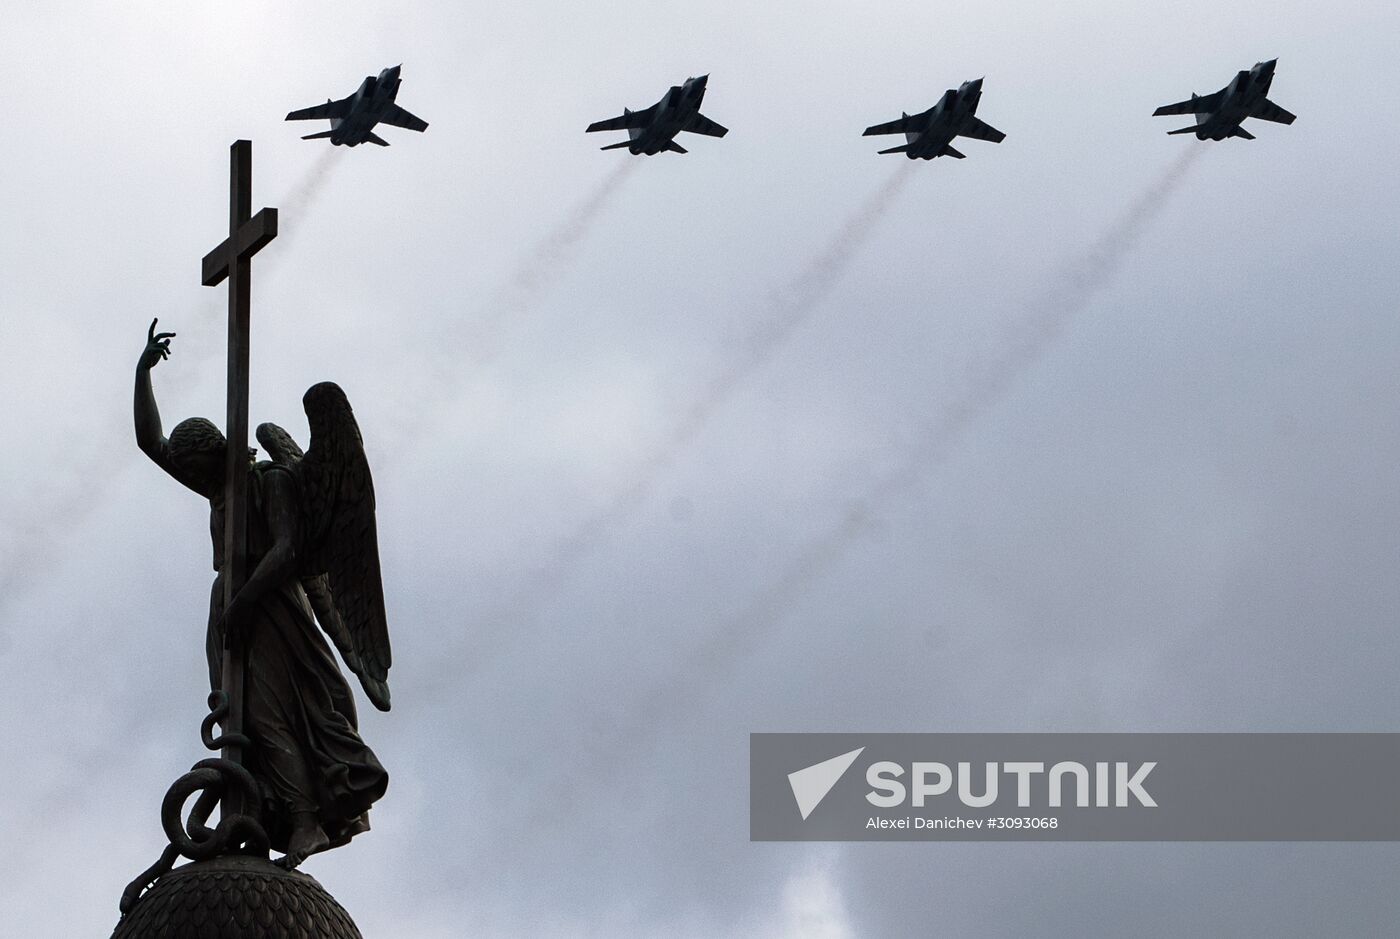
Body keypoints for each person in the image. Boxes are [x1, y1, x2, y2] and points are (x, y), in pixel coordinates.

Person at [133, 319, 388, 868]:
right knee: (238, 718)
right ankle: (250, 802)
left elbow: (289, 550)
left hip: (270, 605)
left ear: (216, 453)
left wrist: (246, 598)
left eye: (198, 470)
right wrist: (142, 374)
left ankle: (304, 822)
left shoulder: (270, 481)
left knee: (272, 714)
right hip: (230, 604)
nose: (193, 482)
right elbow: (150, 444)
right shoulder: (217, 489)